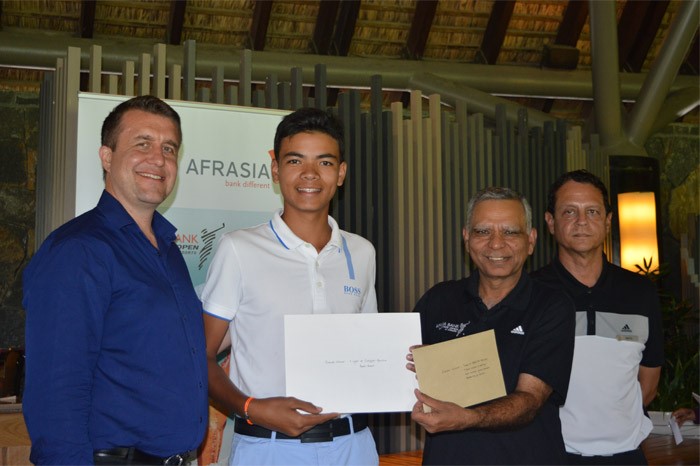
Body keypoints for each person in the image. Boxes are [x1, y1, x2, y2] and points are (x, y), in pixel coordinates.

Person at [22, 95, 208, 465]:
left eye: (169, 148)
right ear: (106, 156)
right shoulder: (78, 250)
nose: (158, 158)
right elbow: (56, 391)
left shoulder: (168, 249)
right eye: (143, 144)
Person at [200, 107, 379, 465]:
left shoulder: (361, 252)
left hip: (353, 445)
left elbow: (369, 348)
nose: (310, 174)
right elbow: (198, 356)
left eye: (325, 163)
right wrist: (250, 407)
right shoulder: (239, 249)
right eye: (296, 160)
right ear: (276, 170)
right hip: (268, 448)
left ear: (341, 173)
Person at [408, 187, 575, 465]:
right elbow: (400, 374)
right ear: (466, 238)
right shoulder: (438, 299)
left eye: (510, 232)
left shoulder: (552, 305)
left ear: (531, 240)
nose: (496, 244)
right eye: (483, 232)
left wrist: (467, 418)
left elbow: (530, 400)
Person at [532, 169, 664, 465]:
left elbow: (649, 382)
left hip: (627, 456)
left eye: (592, 211)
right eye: (569, 212)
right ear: (550, 222)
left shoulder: (640, 291)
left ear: (607, 222)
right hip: (552, 454)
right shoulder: (530, 293)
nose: (581, 221)